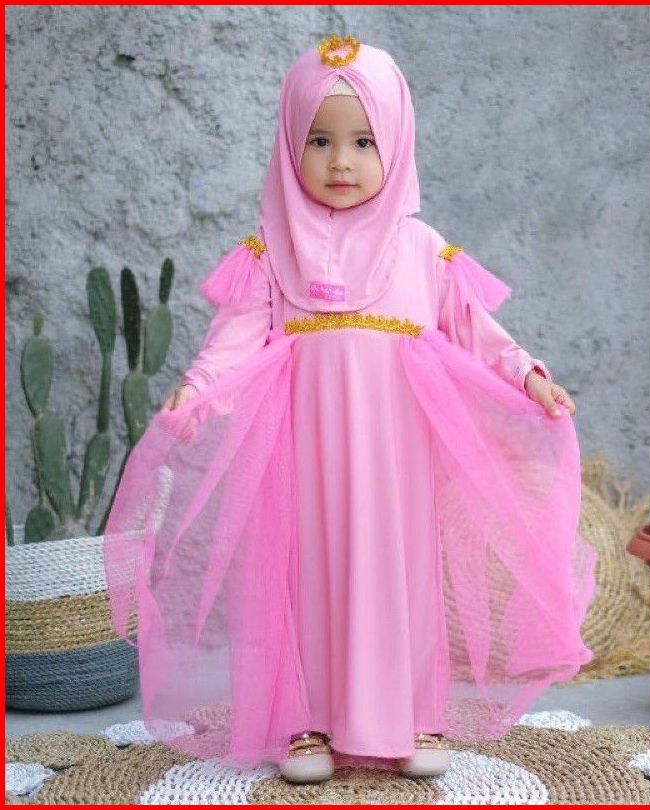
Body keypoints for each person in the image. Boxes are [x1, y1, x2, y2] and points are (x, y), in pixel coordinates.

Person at [103, 34, 598, 785]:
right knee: (307, 574)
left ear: (395, 142)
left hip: (397, 451)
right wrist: (199, 391)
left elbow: (477, 331)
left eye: (364, 141)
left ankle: (412, 713)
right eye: (320, 140)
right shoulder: (274, 249)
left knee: (403, 573)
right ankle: (305, 719)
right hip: (303, 451)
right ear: (288, 145)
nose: (341, 161)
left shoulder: (420, 247)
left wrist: (528, 375)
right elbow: (233, 342)